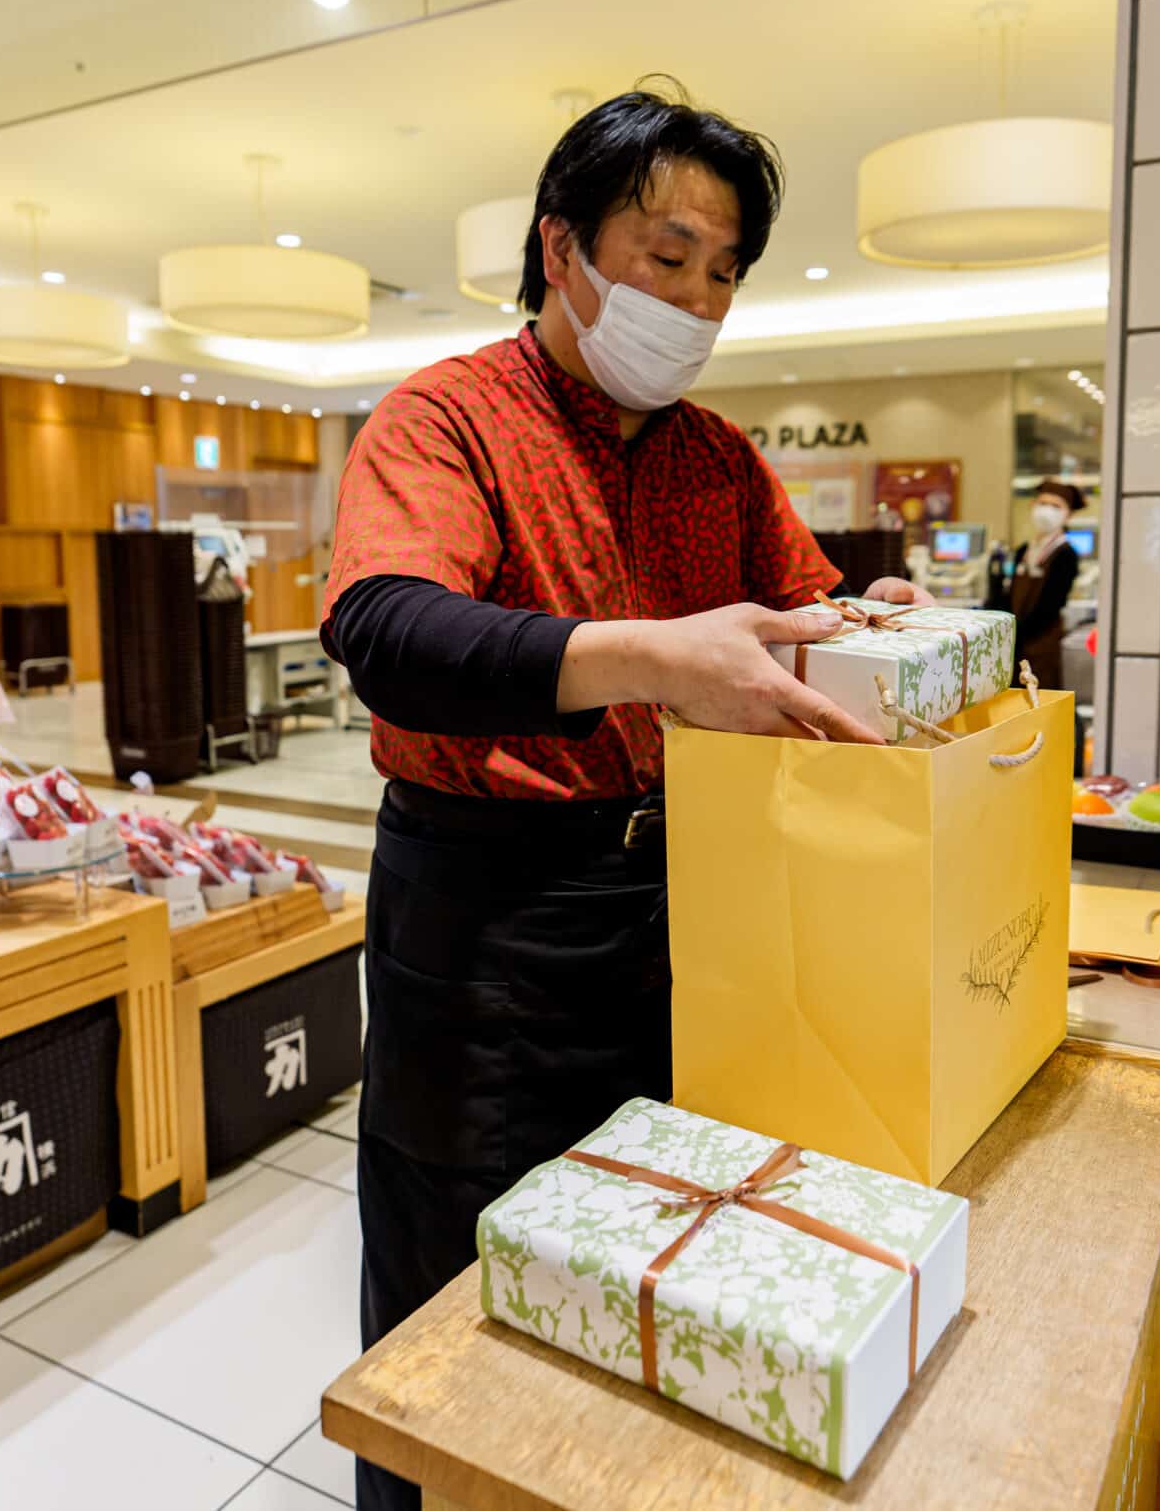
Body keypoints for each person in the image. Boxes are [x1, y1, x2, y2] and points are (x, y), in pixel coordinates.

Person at [321, 85, 925, 1511]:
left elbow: (808, 607)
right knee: (452, 1283)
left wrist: (873, 625)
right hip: (481, 915)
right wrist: (653, 657)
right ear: (562, 247)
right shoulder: (449, 417)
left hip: (678, 905)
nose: (699, 299)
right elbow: (391, 636)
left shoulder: (717, 458)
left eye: (723, 271)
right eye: (666, 255)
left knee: (642, 1251)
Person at [990, 477, 1086, 691]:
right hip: (1015, 639)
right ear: (1032, 506)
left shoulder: (1065, 554)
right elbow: (1010, 592)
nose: (1046, 510)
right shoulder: (1024, 550)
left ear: (1068, 514)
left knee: (1041, 693)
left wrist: (1021, 633)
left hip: (1042, 640)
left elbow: (1052, 604)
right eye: (1043, 503)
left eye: (1055, 506)